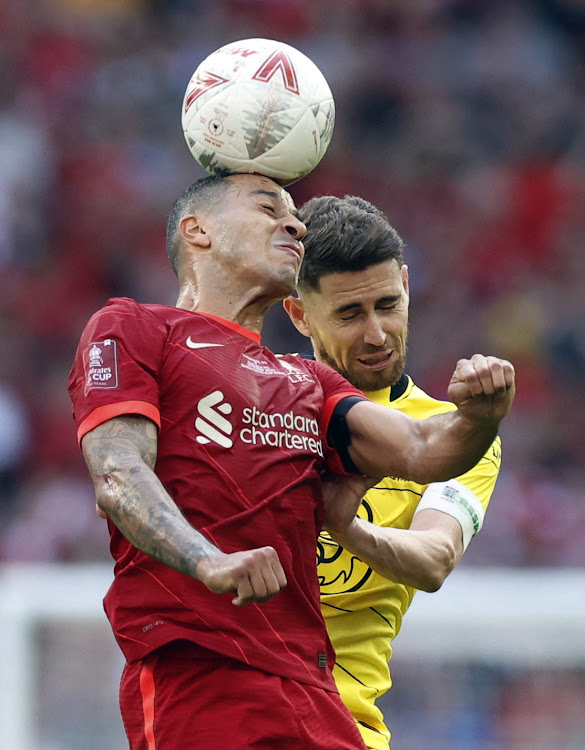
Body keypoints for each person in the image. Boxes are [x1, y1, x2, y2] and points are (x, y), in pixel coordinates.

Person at [67, 173, 515, 750]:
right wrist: (209, 561)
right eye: (267, 208)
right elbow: (118, 475)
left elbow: (425, 450)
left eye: (293, 214)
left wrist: (481, 416)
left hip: (316, 695)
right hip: (205, 671)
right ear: (198, 230)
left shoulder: (306, 382)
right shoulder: (135, 327)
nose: (294, 223)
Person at [283, 193, 504, 750]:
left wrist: (346, 527)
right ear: (298, 313)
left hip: (340, 729)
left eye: (387, 303)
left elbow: (434, 559)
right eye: (350, 314)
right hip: (224, 718)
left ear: (406, 284)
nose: (377, 334)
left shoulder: (454, 435)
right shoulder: (251, 407)